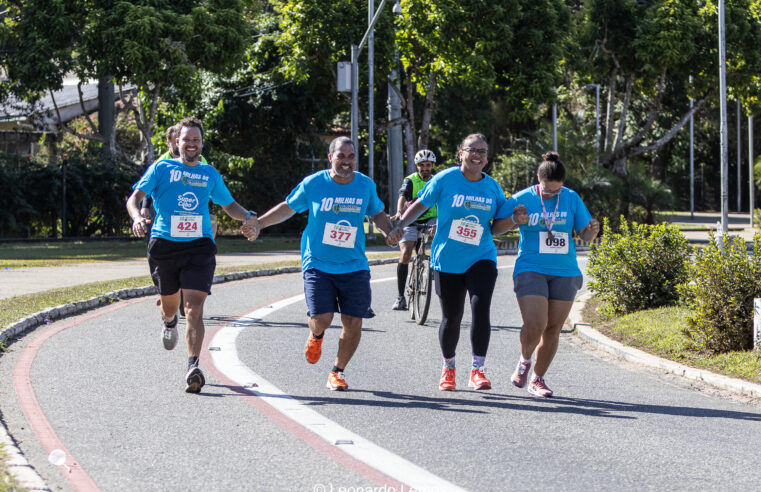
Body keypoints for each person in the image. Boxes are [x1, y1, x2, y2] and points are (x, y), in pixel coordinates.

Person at [243, 136, 395, 391]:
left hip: (354, 264)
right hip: (318, 262)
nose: (346, 162)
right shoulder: (314, 184)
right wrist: (260, 224)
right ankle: (316, 334)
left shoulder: (365, 185)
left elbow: (377, 212)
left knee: (353, 321)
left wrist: (389, 231)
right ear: (330, 158)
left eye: (350, 157)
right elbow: (287, 208)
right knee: (323, 318)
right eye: (341, 156)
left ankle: (337, 371)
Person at [126, 116, 259, 393]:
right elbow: (134, 198)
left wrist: (249, 217)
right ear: (177, 142)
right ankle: (168, 320)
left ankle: (193, 366)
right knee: (171, 305)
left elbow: (229, 205)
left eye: (196, 140)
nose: (191, 144)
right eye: (186, 139)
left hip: (199, 246)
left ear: (201, 143)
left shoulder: (209, 174)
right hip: (164, 245)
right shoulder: (161, 168)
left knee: (195, 308)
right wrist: (137, 216)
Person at [388, 133, 524, 391]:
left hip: (481, 256)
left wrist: (515, 219)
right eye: (472, 150)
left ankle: (478, 369)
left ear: (487, 157)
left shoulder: (492, 187)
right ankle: (448, 367)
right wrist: (400, 226)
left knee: (480, 308)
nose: (477, 155)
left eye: (482, 151)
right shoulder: (444, 179)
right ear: (460, 153)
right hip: (447, 258)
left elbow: (497, 228)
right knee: (452, 317)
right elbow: (419, 204)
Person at [493, 151, 599, 398]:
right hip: (531, 268)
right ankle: (524, 360)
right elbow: (496, 228)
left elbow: (584, 235)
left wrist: (592, 231)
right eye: (547, 190)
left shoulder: (571, 198)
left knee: (553, 328)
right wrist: (513, 219)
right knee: (536, 323)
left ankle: (537, 380)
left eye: (556, 190)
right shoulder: (523, 197)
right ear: (538, 181)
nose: (552, 194)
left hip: (565, 271)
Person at [140, 125, 218, 237]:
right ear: (171, 142)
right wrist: (145, 206)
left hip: (192, 200)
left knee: (212, 220)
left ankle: (209, 247)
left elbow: (207, 183)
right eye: (175, 141)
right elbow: (147, 186)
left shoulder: (199, 159)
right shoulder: (162, 163)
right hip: (170, 203)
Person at [391, 149, 438, 311]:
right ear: (417, 166)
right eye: (421, 165)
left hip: (432, 217)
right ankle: (400, 297)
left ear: (432, 165)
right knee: (405, 252)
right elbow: (402, 196)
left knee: (437, 237)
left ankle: (431, 267)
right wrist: (399, 212)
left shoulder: (437, 180)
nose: (425, 168)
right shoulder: (410, 180)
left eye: (428, 165)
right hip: (412, 217)